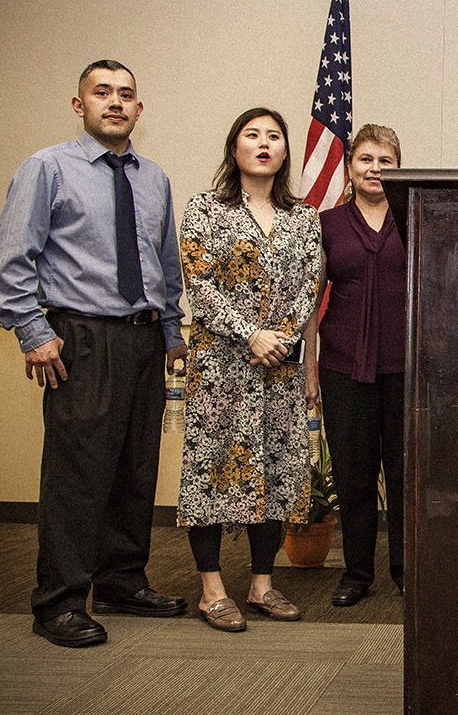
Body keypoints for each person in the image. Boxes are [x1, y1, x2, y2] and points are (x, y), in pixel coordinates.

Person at [0, 60, 188, 647]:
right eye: (102, 93)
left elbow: (165, 265)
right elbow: (11, 260)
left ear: (139, 109)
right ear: (80, 105)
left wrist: (173, 331)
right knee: (78, 474)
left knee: (133, 467)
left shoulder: (154, 179)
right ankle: (59, 600)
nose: (115, 103)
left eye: (126, 95)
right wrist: (32, 329)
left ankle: (123, 581)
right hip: (81, 338)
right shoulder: (46, 168)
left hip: (145, 339)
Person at [177, 108, 322, 632]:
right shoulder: (205, 209)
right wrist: (249, 334)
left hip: (279, 365)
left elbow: (310, 284)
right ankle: (211, 589)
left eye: (274, 137)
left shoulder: (303, 216)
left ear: (285, 151)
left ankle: (262, 583)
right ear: (233, 148)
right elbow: (200, 284)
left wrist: (280, 338)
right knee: (212, 471)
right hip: (221, 368)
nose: (264, 144)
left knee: (278, 469)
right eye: (252, 135)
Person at [304, 124, 407, 607]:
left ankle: (406, 568)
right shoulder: (326, 224)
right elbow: (309, 303)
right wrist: (309, 368)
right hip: (344, 367)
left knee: (405, 472)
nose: (375, 169)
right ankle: (357, 572)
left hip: (406, 367)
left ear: (398, 167)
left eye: (385, 160)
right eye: (365, 159)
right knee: (354, 473)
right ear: (350, 167)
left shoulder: (414, 217)